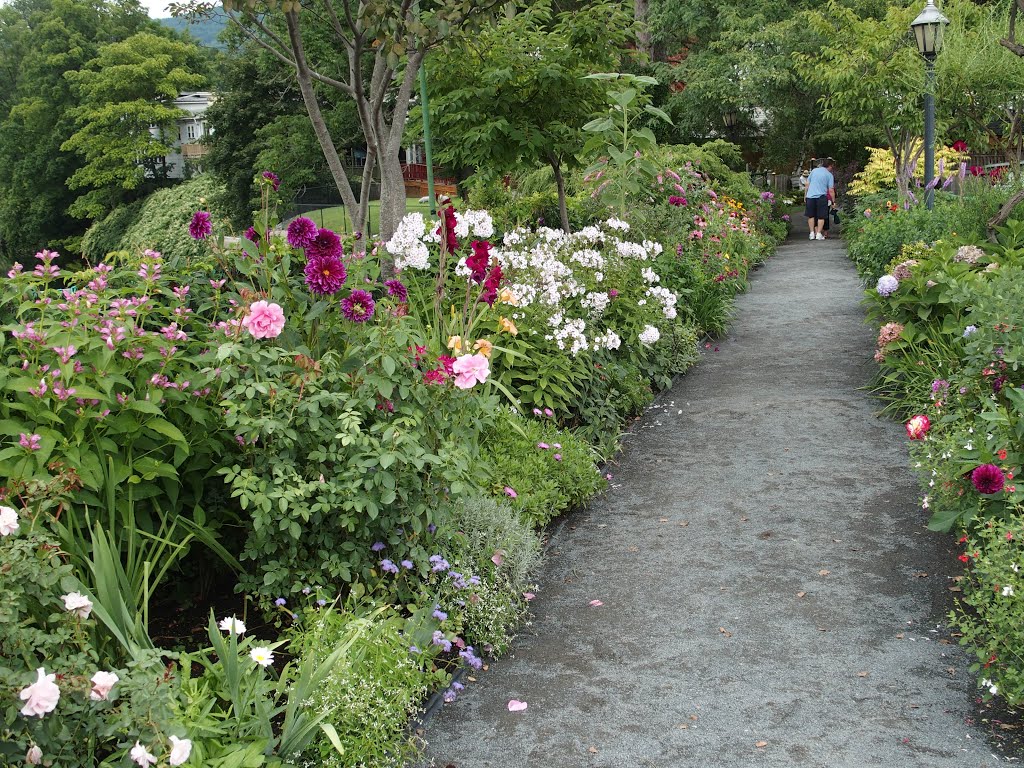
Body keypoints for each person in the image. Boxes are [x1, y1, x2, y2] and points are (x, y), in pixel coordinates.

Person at [804, 157, 835, 241]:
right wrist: (833, 201)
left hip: (810, 196)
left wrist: (805, 196)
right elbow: (831, 190)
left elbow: (807, 184)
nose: (832, 168)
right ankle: (818, 234)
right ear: (829, 166)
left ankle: (811, 233)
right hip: (821, 197)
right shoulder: (829, 175)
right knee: (821, 216)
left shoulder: (814, 171)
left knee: (811, 216)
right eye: (832, 167)